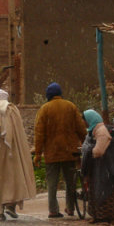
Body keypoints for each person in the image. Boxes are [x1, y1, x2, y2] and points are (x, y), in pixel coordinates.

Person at [0, 89, 37, 220]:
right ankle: (11, 205)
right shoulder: (13, 110)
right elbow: (20, 133)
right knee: (13, 176)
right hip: (13, 151)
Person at [33, 82, 86, 218]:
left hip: (52, 153)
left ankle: (53, 210)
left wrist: (38, 153)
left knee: (52, 183)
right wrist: (85, 144)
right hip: (70, 152)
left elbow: (39, 133)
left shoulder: (44, 109)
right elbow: (81, 129)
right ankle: (70, 208)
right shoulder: (71, 106)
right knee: (71, 182)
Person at [81, 110, 114, 223]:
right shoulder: (94, 131)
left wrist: (88, 150)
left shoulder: (101, 132)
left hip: (106, 170)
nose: (84, 123)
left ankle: (106, 217)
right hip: (99, 169)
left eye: (85, 120)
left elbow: (98, 151)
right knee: (96, 190)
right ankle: (99, 216)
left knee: (105, 192)